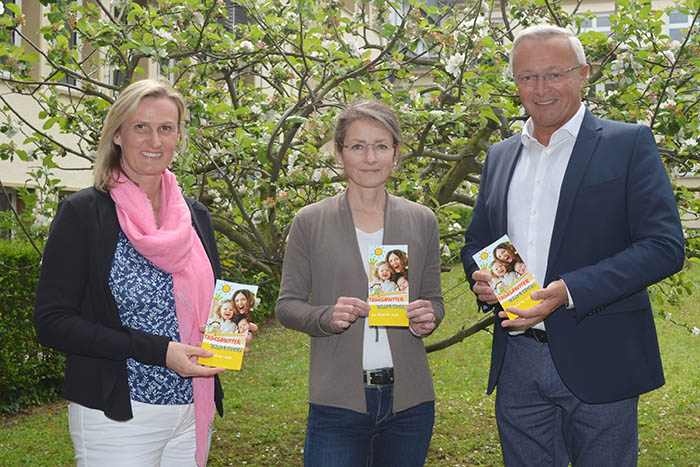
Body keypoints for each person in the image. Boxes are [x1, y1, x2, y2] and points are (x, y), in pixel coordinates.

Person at [461, 25, 685, 466]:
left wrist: (568, 291)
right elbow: (479, 241)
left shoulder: (628, 143)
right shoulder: (501, 155)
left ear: (583, 75)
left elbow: (663, 246)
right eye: (527, 77)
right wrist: (482, 278)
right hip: (519, 357)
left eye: (554, 74)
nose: (540, 88)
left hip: (601, 353)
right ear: (515, 83)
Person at [34, 79, 255, 467]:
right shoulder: (84, 214)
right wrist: (159, 351)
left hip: (190, 410)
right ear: (117, 134)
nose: (154, 140)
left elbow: (200, 302)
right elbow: (52, 322)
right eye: (141, 127)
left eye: (166, 128)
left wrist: (228, 327)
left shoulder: (195, 216)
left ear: (178, 136)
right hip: (117, 416)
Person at [276, 100, 444, 466]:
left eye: (381, 146)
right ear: (339, 153)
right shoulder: (310, 221)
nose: (370, 158)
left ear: (396, 153)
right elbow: (287, 305)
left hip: (410, 403)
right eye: (357, 146)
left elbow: (434, 299)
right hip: (337, 401)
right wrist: (326, 316)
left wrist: (428, 317)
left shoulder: (422, 220)